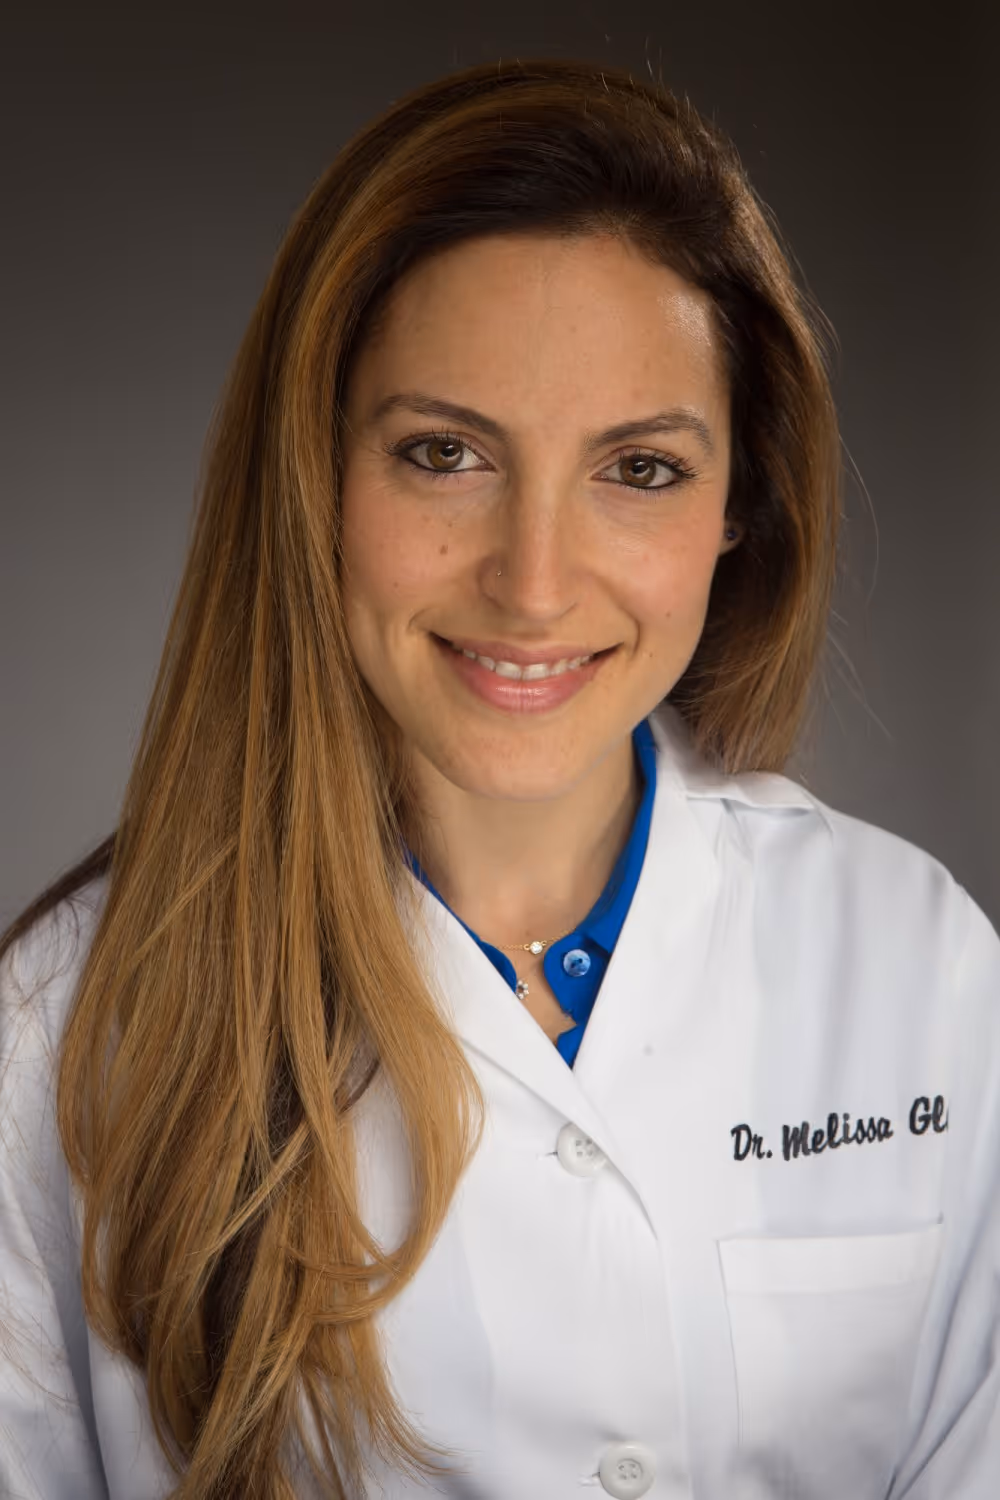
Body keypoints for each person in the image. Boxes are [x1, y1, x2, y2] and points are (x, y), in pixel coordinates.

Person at [1, 54, 997, 1500]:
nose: (533, 582)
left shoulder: (920, 970)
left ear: (743, 503)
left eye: (639, 469)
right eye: (445, 453)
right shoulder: (64, 1031)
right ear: (315, 476)